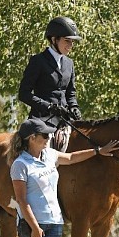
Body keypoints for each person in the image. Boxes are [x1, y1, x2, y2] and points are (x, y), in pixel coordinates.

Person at [18, 16, 83, 151]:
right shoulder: (38, 61)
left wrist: (74, 107)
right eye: (67, 41)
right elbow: (24, 94)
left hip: (65, 119)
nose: (71, 46)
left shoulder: (69, 63)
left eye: (72, 42)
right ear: (54, 39)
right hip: (42, 120)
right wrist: (48, 107)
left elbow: (70, 92)